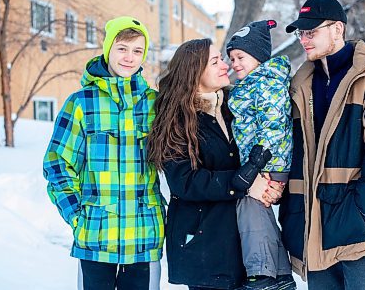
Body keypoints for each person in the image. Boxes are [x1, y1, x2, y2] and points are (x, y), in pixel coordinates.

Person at [279, 0, 365, 289]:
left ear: (338, 29)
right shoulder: (300, 86)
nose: (304, 40)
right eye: (301, 33)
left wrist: (360, 212)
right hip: (314, 230)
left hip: (363, 230)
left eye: (311, 31)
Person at [147, 38, 283, 290]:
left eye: (222, 58)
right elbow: (185, 182)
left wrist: (270, 186)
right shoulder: (175, 119)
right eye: (215, 61)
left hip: (243, 242)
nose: (226, 65)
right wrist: (243, 184)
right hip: (204, 245)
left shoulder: (236, 107)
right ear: (194, 71)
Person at [43, 16, 165, 290]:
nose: (129, 58)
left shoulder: (155, 104)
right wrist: (77, 216)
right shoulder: (81, 103)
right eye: (122, 48)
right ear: (108, 49)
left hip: (144, 236)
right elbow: (57, 165)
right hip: (96, 235)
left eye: (137, 51)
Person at [226, 20, 296, 290]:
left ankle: (261, 275)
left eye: (241, 57)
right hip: (261, 164)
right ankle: (280, 276)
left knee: (249, 206)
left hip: (268, 163)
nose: (235, 63)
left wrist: (255, 164)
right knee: (260, 212)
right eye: (231, 58)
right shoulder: (251, 84)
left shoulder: (266, 83)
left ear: (258, 55)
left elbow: (273, 126)